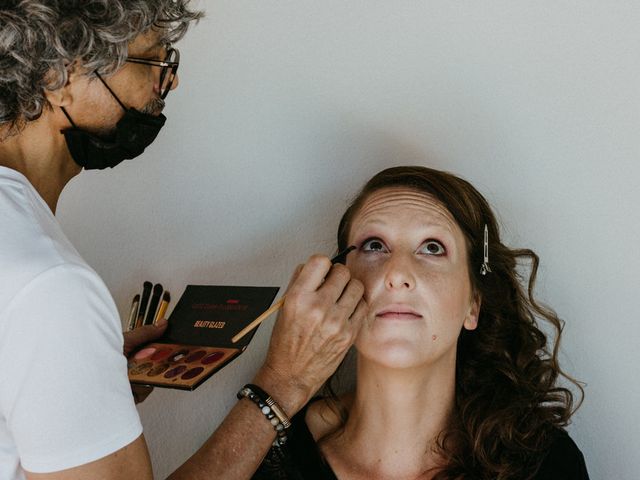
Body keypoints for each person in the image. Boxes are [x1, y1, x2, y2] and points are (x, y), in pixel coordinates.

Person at [0, 2, 365, 479]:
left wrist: (81, 371)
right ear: (60, 76)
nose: (168, 82)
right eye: (154, 59)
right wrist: (282, 386)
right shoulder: (50, 283)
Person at [252, 166, 589, 479]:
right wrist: (280, 384)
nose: (396, 274)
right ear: (337, 287)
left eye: (432, 247)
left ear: (474, 305)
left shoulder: (544, 462)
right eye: (374, 245)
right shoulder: (265, 447)